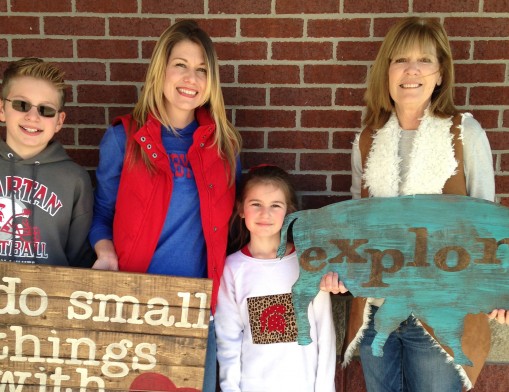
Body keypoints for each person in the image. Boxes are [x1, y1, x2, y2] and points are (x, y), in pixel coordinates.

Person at [322, 16, 508, 392]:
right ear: (386, 72)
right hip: (377, 312)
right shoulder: (367, 140)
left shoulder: (464, 133)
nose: (411, 70)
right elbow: (358, 225)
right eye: (400, 59)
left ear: (440, 74)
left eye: (424, 60)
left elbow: (488, 221)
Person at [88, 20, 241, 391]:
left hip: (196, 309)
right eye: (181, 65)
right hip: (136, 305)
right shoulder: (124, 138)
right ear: (161, 69)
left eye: (202, 69)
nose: (191, 77)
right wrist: (105, 253)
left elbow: (236, 229)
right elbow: (102, 215)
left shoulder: (224, 147)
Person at [215, 165, 336, 392]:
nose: (265, 214)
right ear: (241, 209)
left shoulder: (309, 264)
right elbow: (227, 340)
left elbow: (325, 336)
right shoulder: (231, 269)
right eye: (256, 204)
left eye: (275, 206)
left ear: (289, 212)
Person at [0, 57, 94, 267]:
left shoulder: (74, 180)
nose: (33, 116)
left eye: (46, 109)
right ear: (2, 110)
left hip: (48, 298)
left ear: (59, 121)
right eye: (21, 105)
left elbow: (79, 261)